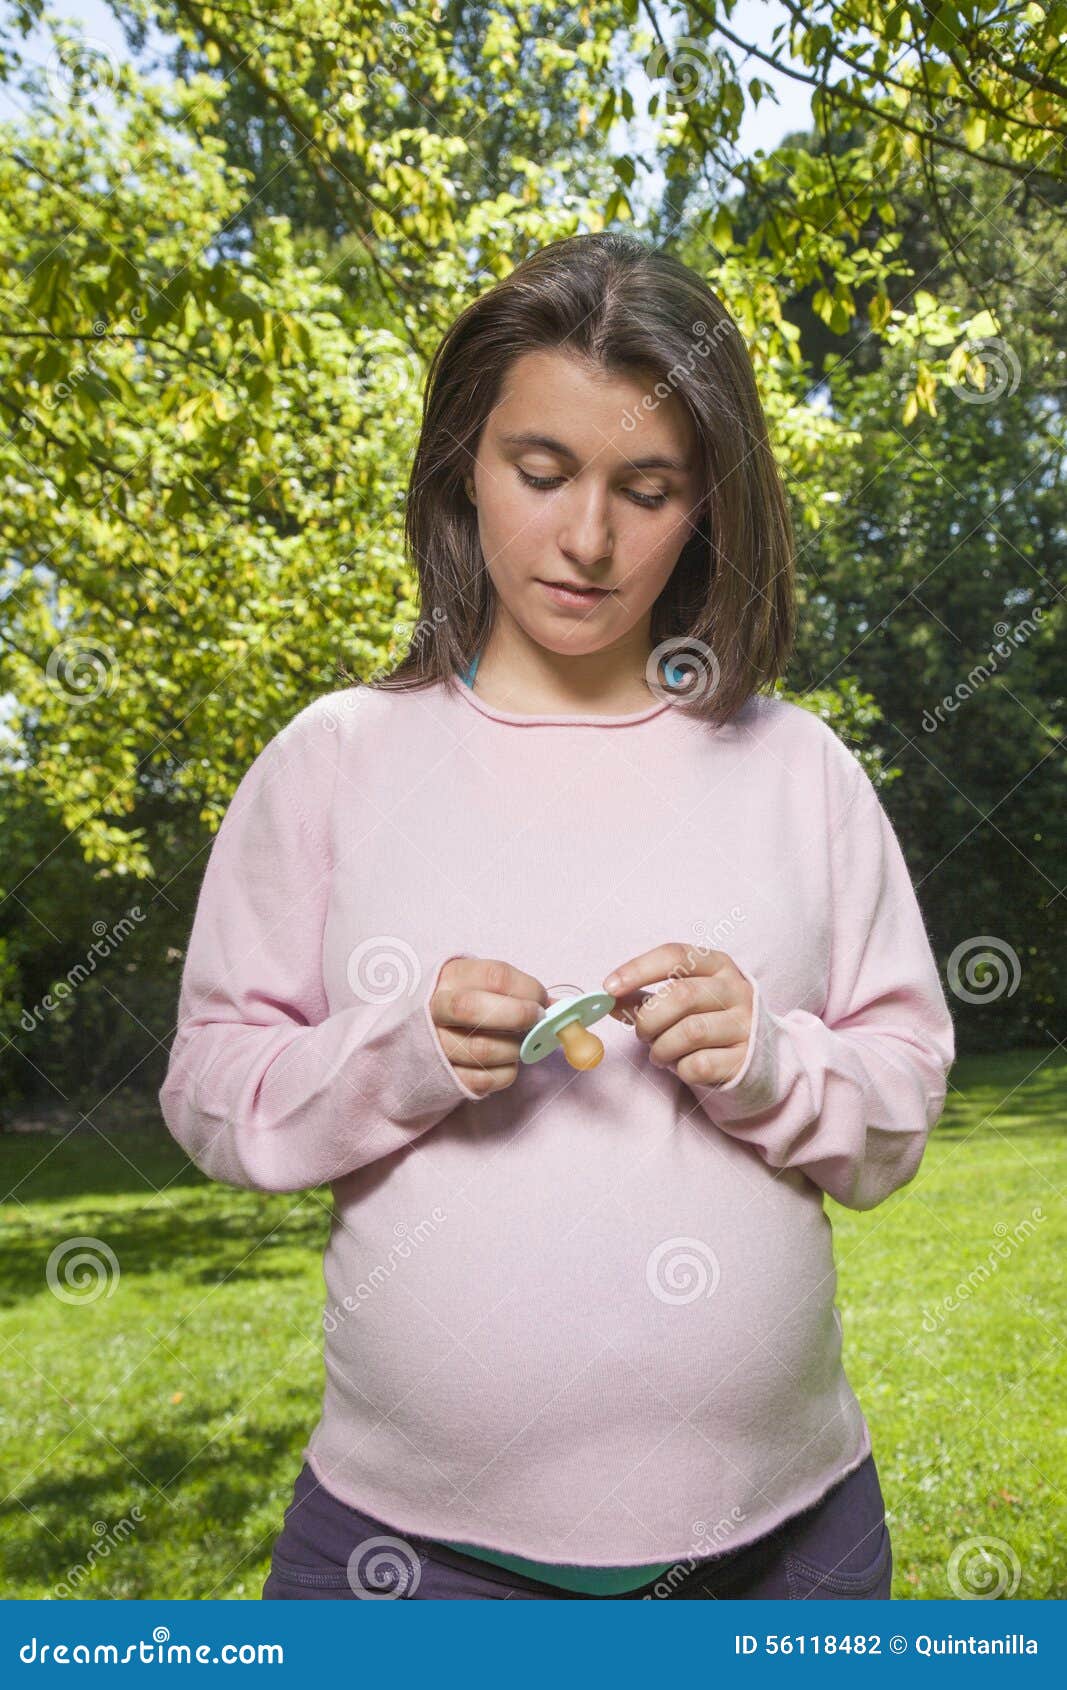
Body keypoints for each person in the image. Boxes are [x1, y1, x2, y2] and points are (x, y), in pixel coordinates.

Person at [158, 231, 956, 1600]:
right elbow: (209, 1088)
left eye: (646, 490)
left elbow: (897, 1112)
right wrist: (399, 1055)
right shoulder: (334, 759)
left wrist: (770, 1058)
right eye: (542, 473)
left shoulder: (798, 768)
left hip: (788, 1550)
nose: (587, 538)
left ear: (707, 504)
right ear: (466, 463)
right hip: (408, 1560)